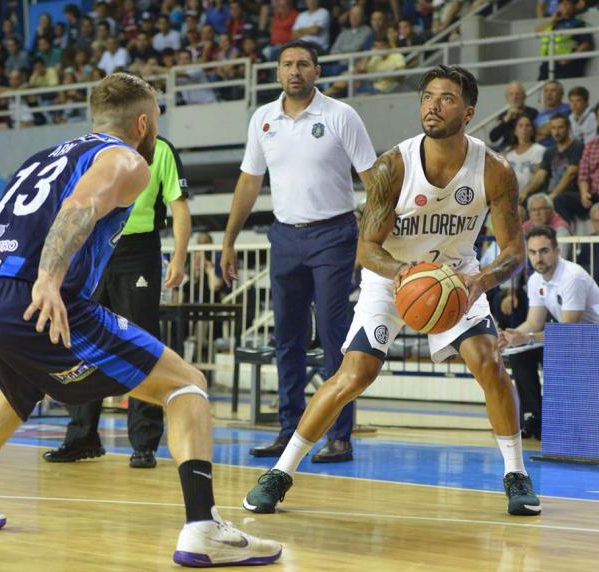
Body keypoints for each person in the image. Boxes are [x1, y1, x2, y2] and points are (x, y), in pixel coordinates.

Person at [0, 72, 281, 567]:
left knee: (22, 386)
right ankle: (203, 527)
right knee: (187, 385)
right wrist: (48, 277)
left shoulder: (44, 156)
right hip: (23, 293)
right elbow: (80, 207)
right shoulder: (126, 159)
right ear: (143, 123)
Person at [243, 64, 542, 517]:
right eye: (427, 97)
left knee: (490, 363)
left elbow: (514, 250)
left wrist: (480, 280)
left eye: (445, 98)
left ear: (468, 112)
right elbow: (367, 249)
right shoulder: (393, 166)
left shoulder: (495, 170)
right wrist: (405, 273)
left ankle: (516, 474)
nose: (432, 106)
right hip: (393, 278)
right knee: (354, 374)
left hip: (459, 276)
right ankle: (280, 473)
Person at [221, 40, 376, 463]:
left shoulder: (341, 115)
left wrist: (369, 240)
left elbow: (374, 181)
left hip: (334, 235)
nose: (295, 71)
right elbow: (249, 182)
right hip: (284, 237)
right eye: (287, 64)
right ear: (277, 72)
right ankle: (290, 432)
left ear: (317, 71)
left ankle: (339, 436)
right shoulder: (263, 119)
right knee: (285, 339)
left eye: (303, 64)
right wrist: (229, 239)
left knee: (333, 338)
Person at [42, 133, 191, 468]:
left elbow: (179, 205)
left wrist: (179, 258)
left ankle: (144, 442)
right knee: (82, 337)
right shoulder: (95, 150)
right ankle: (81, 438)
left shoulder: (162, 148)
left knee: (141, 341)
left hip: (138, 251)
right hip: (93, 247)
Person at [499, 225, 599, 439]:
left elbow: (569, 332)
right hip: (576, 340)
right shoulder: (536, 279)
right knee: (519, 354)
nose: (538, 258)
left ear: (556, 251)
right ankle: (536, 416)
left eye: (544, 251)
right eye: (533, 252)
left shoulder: (572, 277)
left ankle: (558, 419)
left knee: (552, 352)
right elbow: (533, 323)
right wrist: (511, 337)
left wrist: (528, 338)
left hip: (591, 341)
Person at [519, 113, 583, 226]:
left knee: (559, 200)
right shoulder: (550, 151)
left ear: (568, 128)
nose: (556, 132)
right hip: (555, 193)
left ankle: (562, 233)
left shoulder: (577, 146)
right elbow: (540, 175)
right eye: (553, 128)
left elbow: (571, 173)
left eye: (560, 127)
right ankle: (529, 235)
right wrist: (525, 192)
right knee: (528, 201)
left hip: (576, 193)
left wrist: (554, 194)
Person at [536, 0, 593, 81]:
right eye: (561, 4)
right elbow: (537, 33)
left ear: (573, 6)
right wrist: (553, 19)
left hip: (566, 67)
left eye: (567, 3)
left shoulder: (578, 24)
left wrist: (569, 58)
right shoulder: (553, 23)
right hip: (547, 64)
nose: (564, 6)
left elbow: (586, 44)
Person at [489, 82, 538, 151]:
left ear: (524, 96)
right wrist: (506, 119)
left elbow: (537, 133)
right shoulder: (503, 115)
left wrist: (520, 114)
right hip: (506, 146)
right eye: (511, 94)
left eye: (517, 94)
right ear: (507, 98)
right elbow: (493, 137)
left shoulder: (532, 112)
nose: (514, 97)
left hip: (526, 146)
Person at [505, 115, 545, 195]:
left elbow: (539, 177)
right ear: (515, 131)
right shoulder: (508, 154)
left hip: (531, 194)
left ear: (532, 130)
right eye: (520, 125)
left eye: (528, 125)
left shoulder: (539, 150)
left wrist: (526, 192)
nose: (524, 128)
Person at [534, 80, 570, 147]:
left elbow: (548, 129)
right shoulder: (539, 116)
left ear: (561, 94)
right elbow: (534, 137)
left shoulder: (568, 109)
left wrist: (542, 132)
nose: (548, 94)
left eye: (553, 90)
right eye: (546, 91)